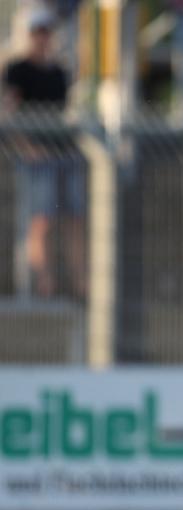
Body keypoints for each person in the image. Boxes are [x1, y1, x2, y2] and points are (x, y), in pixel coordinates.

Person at [4, 7, 85, 299]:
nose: (42, 38)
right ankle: (43, 283)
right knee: (41, 220)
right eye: (37, 32)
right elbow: (9, 114)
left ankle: (81, 283)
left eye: (45, 32)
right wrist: (27, 148)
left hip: (61, 153)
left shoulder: (59, 73)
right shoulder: (18, 70)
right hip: (36, 156)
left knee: (75, 217)